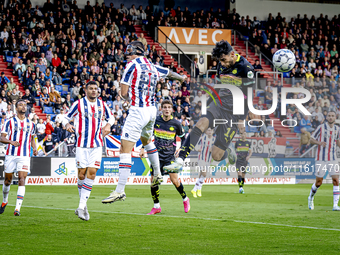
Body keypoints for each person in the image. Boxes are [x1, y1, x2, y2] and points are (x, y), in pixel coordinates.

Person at [102, 41, 186, 204]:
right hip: (152, 110)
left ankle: (119, 191)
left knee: (124, 149)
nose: (127, 56)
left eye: (129, 53)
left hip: (138, 111)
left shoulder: (131, 65)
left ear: (135, 52)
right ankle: (158, 173)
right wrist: (181, 78)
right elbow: (170, 73)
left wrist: (125, 98)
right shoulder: (153, 66)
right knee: (147, 141)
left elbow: (125, 92)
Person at [165, 40, 255, 173]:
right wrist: (208, 103)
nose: (222, 64)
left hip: (234, 112)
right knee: (201, 124)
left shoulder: (246, 68)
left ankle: (228, 150)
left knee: (216, 155)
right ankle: (180, 160)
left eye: (224, 60)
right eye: (220, 61)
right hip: (220, 103)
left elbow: (248, 94)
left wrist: (242, 118)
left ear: (232, 54)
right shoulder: (221, 65)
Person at [62, 81, 114, 221]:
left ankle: (81, 206)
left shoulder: (102, 105)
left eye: (95, 89)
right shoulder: (78, 104)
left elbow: (112, 117)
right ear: (85, 90)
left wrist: (108, 124)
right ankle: (83, 206)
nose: (93, 91)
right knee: (81, 174)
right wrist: (66, 123)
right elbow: (65, 117)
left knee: (91, 173)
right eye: (90, 88)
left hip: (97, 145)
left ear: (98, 91)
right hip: (81, 145)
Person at [139, 100, 188, 214]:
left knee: (174, 181)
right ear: (161, 108)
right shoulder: (156, 121)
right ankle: (156, 207)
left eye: (168, 107)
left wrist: (181, 148)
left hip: (169, 157)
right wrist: (142, 148)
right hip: (156, 156)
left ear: (172, 110)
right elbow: (147, 135)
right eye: (164, 107)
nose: (166, 109)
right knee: (153, 182)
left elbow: (184, 138)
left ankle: (185, 199)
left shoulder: (176, 124)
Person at [0, 100, 38, 216]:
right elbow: (2, 137)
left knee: (22, 179)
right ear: (16, 108)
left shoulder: (31, 124)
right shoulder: (9, 122)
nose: (23, 107)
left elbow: (32, 138)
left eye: (25, 105)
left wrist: (35, 148)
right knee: (7, 181)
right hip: (11, 154)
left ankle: (17, 209)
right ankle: (5, 201)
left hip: (24, 155)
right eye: (21, 105)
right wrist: (11, 142)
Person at [308, 111, 340, 211]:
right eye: (329, 116)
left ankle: (335, 205)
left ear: (335, 117)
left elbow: (338, 141)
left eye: (332, 116)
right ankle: (311, 198)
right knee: (319, 182)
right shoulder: (321, 127)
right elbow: (311, 139)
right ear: (326, 117)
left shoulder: (337, 129)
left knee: (336, 180)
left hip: (333, 158)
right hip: (320, 159)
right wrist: (319, 143)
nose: (331, 117)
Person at [192, 128, 215, 198]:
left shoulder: (214, 140)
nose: (209, 131)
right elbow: (194, 145)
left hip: (208, 159)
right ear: (206, 131)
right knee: (204, 174)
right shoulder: (202, 138)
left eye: (211, 130)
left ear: (213, 131)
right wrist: (198, 149)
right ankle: (194, 189)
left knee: (202, 174)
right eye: (208, 130)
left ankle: (198, 189)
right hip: (201, 158)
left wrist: (213, 150)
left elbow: (215, 149)